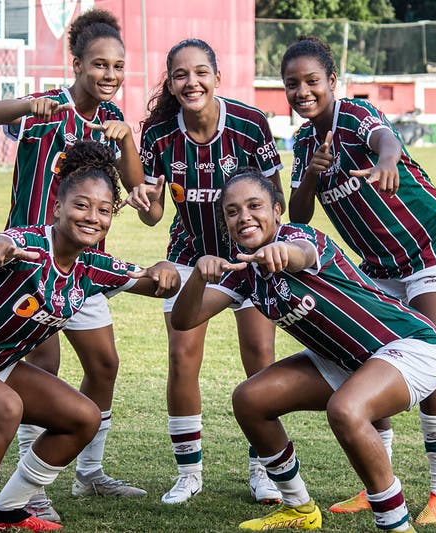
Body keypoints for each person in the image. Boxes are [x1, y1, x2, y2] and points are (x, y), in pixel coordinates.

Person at [0, 141, 180, 533]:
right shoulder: (32, 245)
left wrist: (166, 270)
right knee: (6, 407)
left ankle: (6, 512)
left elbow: (154, 281)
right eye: (81, 205)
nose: (93, 217)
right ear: (58, 207)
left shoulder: (94, 267)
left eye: (104, 210)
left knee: (83, 417)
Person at [170, 169, 436, 532]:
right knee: (250, 399)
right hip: (346, 361)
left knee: (346, 410)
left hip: (408, 345)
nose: (244, 217)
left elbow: (303, 254)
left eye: (255, 206)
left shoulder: (298, 236)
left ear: (278, 210)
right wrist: (196, 277)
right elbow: (184, 320)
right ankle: (298, 507)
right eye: (232, 211)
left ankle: (395, 524)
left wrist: (282, 252)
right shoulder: (244, 271)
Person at [281, 36, 436, 524]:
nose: (303, 91)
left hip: (431, 249)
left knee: (427, 361)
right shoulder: (304, 142)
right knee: (372, 362)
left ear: (331, 82)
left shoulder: (355, 116)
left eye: (311, 81)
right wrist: (310, 177)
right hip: (380, 268)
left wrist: (389, 160)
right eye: (292, 85)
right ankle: (376, 485)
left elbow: (384, 139)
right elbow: (299, 217)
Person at [0, 8, 147, 521]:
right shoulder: (50, 105)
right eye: (99, 65)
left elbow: (143, 199)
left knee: (104, 365)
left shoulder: (111, 123)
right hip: (33, 261)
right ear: (76, 64)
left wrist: (126, 143)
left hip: (87, 267)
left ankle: (89, 473)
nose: (110, 75)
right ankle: (31, 489)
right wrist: (32, 105)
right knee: (45, 368)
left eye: (118, 66)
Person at [123, 38, 285, 505]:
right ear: (170, 84)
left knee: (259, 357)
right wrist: (146, 203)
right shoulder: (157, 138)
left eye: (200, 73)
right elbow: (153, 216)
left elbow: (278, 203)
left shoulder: (251, 124)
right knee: (181, 358)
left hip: (249, 259)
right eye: (180, 75)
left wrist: (268, 255)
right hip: (188, 257)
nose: (190, 82)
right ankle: (189, 473)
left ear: (216, 76)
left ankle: (264, 469)